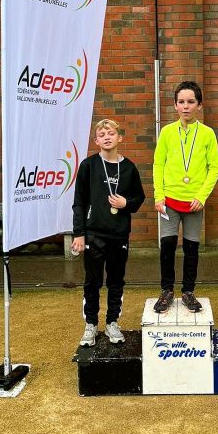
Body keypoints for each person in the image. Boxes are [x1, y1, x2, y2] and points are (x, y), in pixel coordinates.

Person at [72, 119, 145, 347]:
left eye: (111, 133)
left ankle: (112, 322)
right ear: (96, 140)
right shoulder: (88, 165)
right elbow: (79, 202)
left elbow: (139, 198)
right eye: (101, 135)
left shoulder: (129, 168)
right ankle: (91, 324)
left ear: (119, 137)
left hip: (119, 234)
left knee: (116, 281)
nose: (106, 137)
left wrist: (126, 203)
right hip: (93, 233)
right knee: (92, 281)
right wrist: (79, 234)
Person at [153, 81, 218, 314]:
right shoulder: (166, 132)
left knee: (191, 248)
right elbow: (158, 164)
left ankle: (188, 292)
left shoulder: (208, 134)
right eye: (181, 102)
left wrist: (202, 196)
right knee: (167, 246)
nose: (185, 106)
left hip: (194, 203)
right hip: (169, 201)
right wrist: (159, 195)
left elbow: (215, 168)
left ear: (199, 105)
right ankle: (166, 291)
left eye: (191, 102)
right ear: (175, 105)